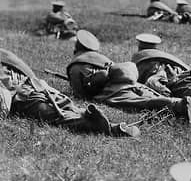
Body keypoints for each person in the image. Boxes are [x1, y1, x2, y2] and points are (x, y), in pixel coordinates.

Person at [67, 30, 191, 122]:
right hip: (132, 82)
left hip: (113, 91)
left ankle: (179, 105)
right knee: (152, 96)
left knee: (142, 103)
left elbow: (82, 95)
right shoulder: (99, 57)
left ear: (77, 48)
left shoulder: (76, 66)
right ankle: (189, 106)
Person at [1, 48, 138, 137]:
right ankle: (109, 127)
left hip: (30, 91)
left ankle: (97, 123)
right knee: (60, 109)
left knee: (61, 109)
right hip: (30, 91)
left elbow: (5, 95)